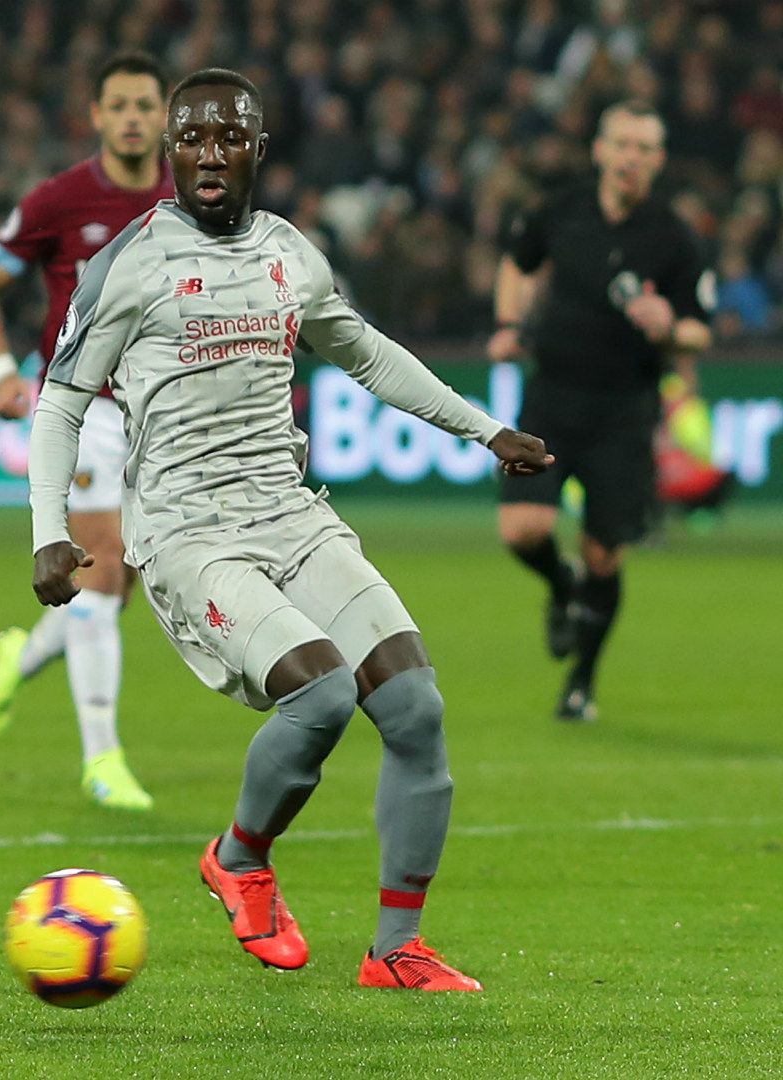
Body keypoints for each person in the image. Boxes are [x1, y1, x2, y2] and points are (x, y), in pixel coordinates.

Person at [28, 69, 551, 991]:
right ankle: (238, 858)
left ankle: (396, 952)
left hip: (291, 512)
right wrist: (48, 529)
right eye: (191, 139)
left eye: (229, 137)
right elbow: (61, 403)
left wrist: (482, 428)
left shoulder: (290, 254)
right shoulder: (129, 261)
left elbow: (366, 352)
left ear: (259, 148)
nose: (209, 154)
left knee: (415, 707)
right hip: (188, 533)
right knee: (319, 695)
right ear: (170, 153)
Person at [0, 52, 177, 812]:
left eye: (145, 105)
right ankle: (102, 757)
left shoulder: (191, 200)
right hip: (84, 407)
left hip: (165, 412)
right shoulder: (60, 199)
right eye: (118, 104)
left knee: (122, 583)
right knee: (97, 569)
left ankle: (20, 662)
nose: (132, 117)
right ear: (96, 115)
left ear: (164, 115)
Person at [487, 100, 714, 722]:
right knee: (522, 531)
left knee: (604, 554)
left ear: (658, 161)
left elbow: (702, 329)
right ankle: (561, 589)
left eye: (645, 148)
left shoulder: (673, 235)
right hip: (552, 396)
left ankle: (582, 678)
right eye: (623, 144)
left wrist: (672, 325)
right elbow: (518, 259)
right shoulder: (561, 209)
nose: (632, 158)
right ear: (600, 150)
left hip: (624, 409)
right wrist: (509, 323)